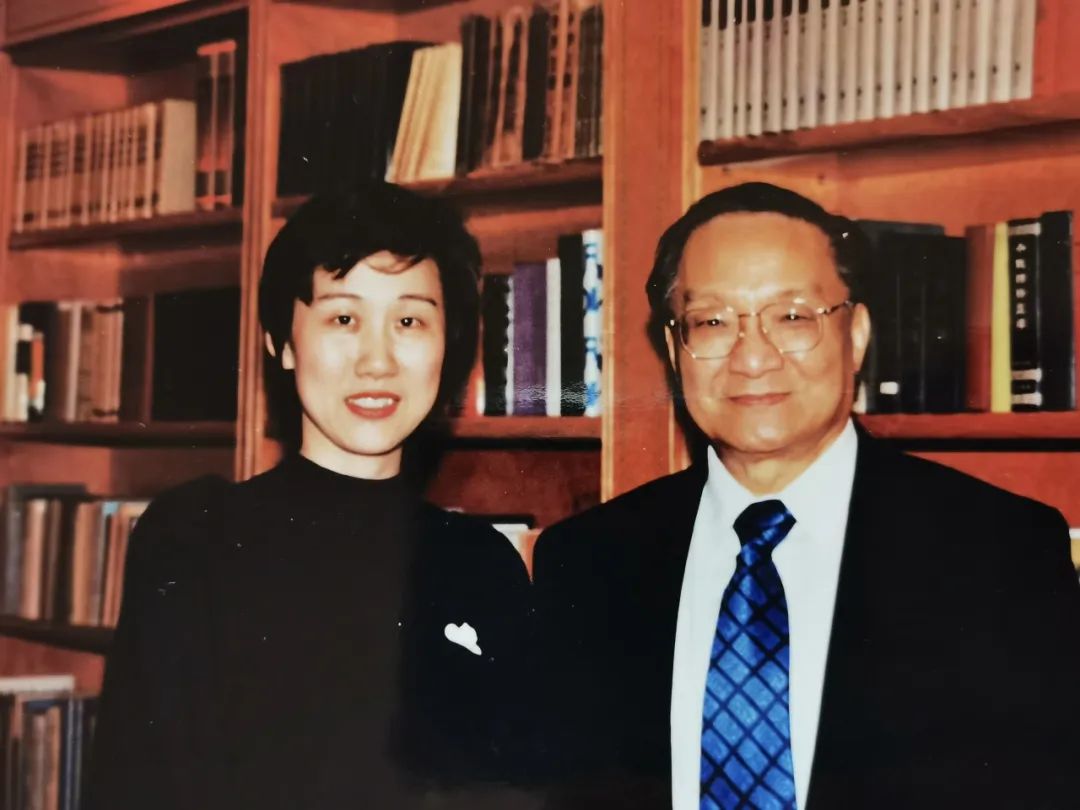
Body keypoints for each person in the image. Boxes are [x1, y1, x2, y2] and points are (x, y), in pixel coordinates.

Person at [533, 182, 1080, 809]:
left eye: (792, 317)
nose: (753, 358)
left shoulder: (1001, 552)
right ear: (674, 349)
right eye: (712, 322)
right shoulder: (587, 561)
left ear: (857, 335)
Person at [87, 182, 534, 809]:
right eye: (343, 319)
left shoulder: (482, 563)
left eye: (409, 321)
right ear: (283, 343)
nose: (377, 361)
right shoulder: (197, 538)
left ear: (448, 345)